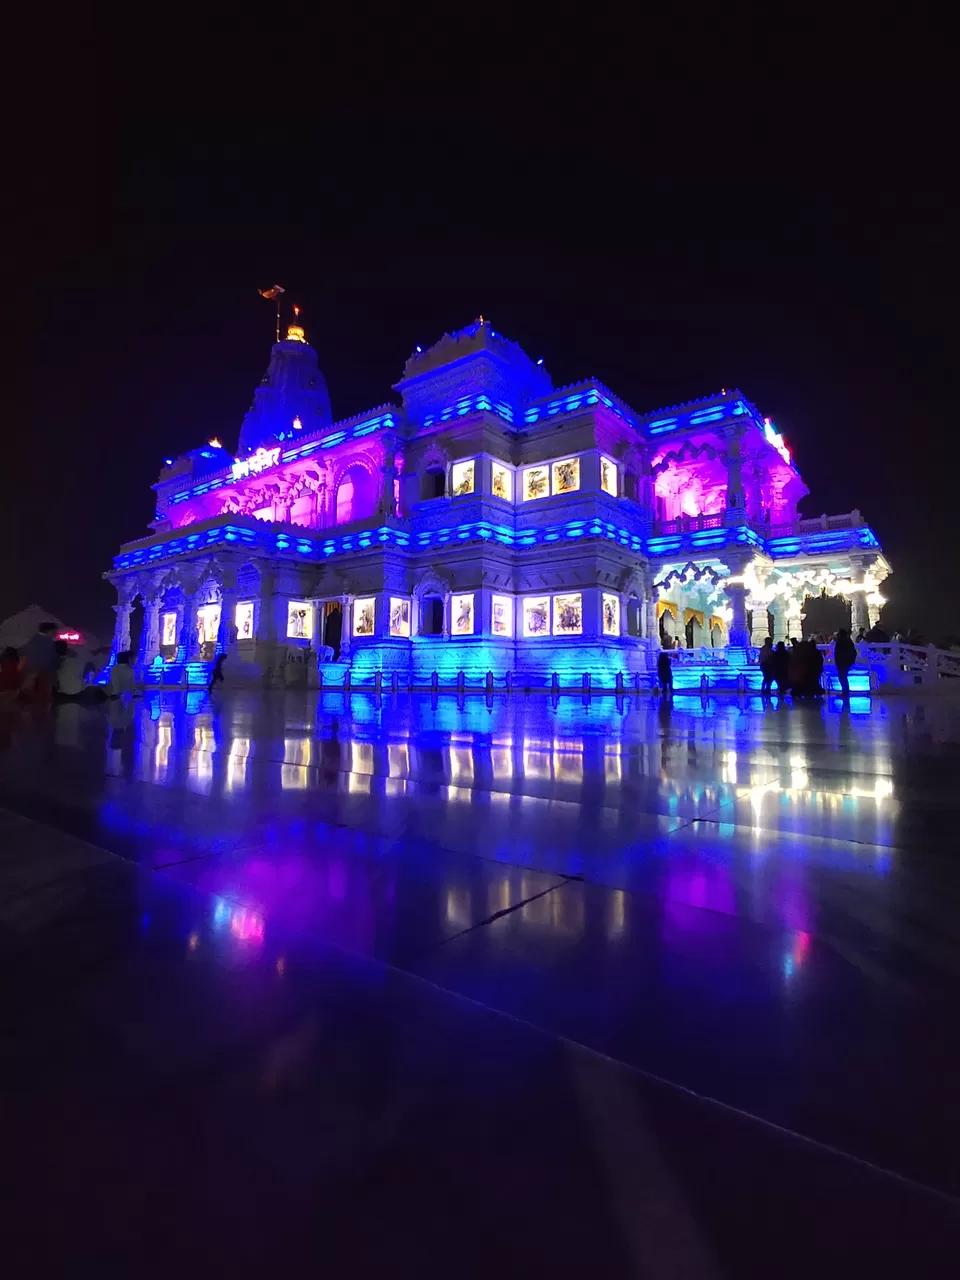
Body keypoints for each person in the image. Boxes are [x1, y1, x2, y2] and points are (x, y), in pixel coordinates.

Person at [20, 621, 58, 704]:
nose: (56, 633)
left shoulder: (35, 639)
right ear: (49, 631)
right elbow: (49, 658)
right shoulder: (46, 641)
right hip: (40, 671)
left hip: (33, 671)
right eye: (54, 631)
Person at [834, 627, 857, 697]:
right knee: (843, 676)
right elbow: (854, 652)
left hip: (842, 662)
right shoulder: (849, 641)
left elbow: (838, 653)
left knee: (842, 677)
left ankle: (845, 692)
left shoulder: (840, 642)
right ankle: (845, 691)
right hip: (847, 662)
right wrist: (851, 660)